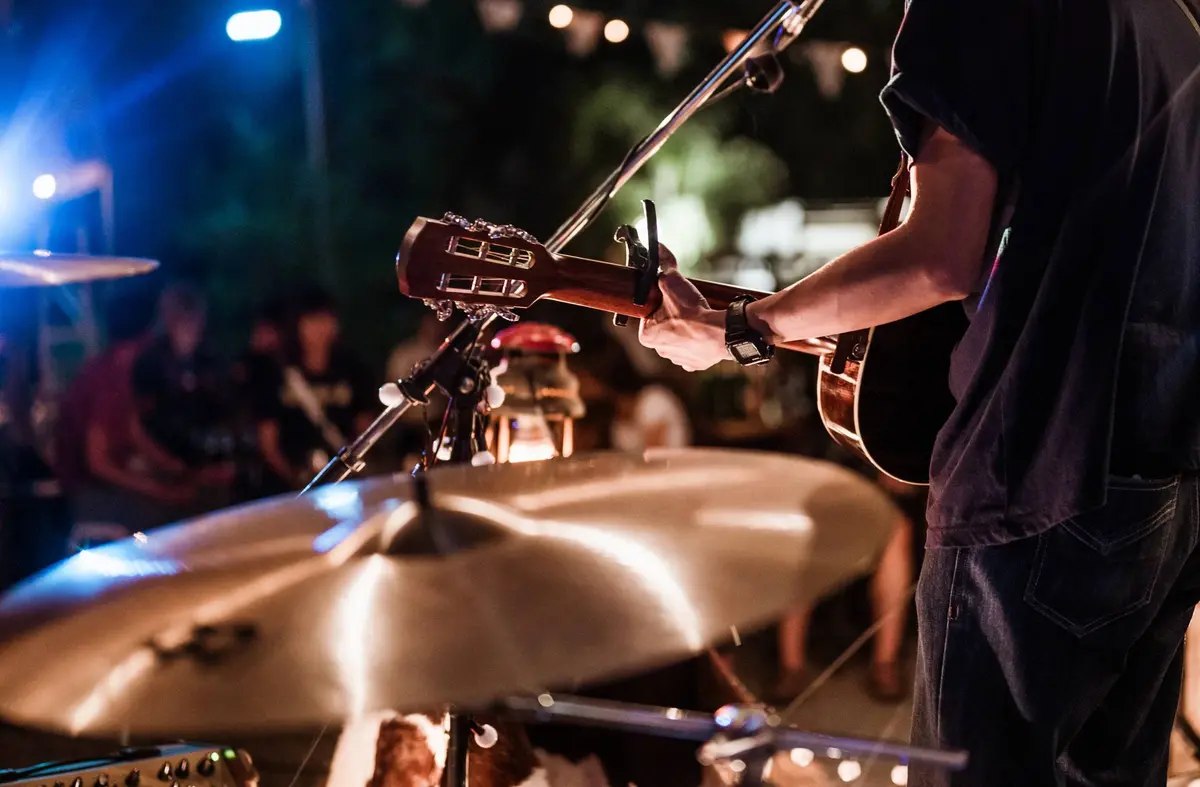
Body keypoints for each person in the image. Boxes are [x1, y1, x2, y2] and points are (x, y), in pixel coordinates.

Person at [638, 2, 1200, 784]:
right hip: (1165, 478)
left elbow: (938, 257)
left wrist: (742, 327)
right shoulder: (1165, 18)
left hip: (1039, 463)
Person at [252, 289, 377, 493]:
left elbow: (366, 428)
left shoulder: (352, 371)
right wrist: (293, 479)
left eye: (326, 320)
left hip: (346, 481)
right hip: (293, 486)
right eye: (312, 321)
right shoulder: (277, 375)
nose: (320, 329)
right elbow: (268, 440)